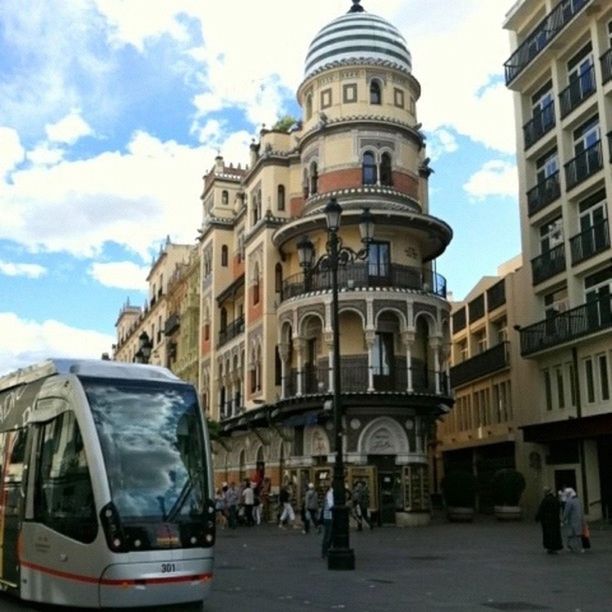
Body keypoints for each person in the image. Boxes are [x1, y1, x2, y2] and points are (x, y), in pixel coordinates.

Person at [535, 486, 563, 554]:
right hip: (555, 520)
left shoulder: (545, 500)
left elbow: (541, 510)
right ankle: (555, 547)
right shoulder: (555, 500)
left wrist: (537, 518)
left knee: (548, 534)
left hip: (547, 521)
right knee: (555, 534)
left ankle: (550, 547)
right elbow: (559, 509)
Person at [562, 487, 585, 553]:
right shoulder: (578, 500)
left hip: (572, 520)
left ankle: (570, 546)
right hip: (579, 519)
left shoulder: (569, 501)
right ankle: (580, 547)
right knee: (578, 534)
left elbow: (566, 512)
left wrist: (563, 519)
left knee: (571, 534)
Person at [321, 484, 334, 559]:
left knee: (330, 535)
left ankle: (327, 551)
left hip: (330, 516)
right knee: (328, 536)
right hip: (329, 517)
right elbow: (331, 505)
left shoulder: (331, 493)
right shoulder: (330, 494)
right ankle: (325, 552)